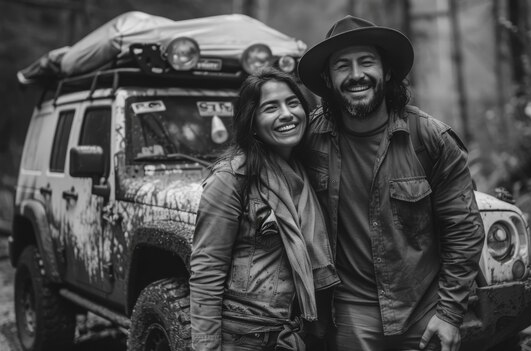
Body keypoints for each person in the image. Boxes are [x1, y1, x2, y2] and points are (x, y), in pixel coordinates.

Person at [297, 15, 485, 351]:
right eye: (343, 66)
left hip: (424, 314)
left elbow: (464, 228)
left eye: (366, 62)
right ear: (328, 78)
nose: (356, 75)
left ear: (386, 71)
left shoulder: (429, 139)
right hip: (349, 319)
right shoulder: (309, 139)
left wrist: (450, 312)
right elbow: (260, 157)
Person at [189, 67, 339, 351]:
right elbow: (206, 272)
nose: (286, 114)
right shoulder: (231, 178)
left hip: (294, 335)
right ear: (252, 121)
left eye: (293, 103)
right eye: (270, 107)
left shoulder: (305, 171)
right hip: (246, 338)